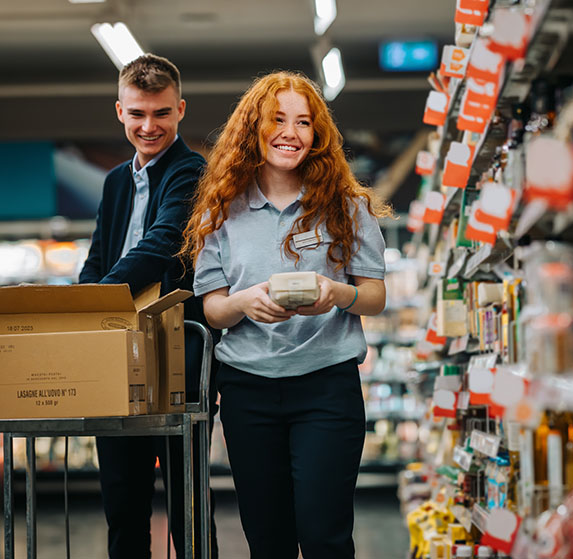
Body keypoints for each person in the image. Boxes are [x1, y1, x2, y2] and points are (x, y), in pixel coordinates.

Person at [181, 70, 391, 559]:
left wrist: (337, 294)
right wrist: (243, 303)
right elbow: (212, 310)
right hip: (247, 392)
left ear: (317, 135)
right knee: (267, 539)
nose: (290, 133)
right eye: (277, 120)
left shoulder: (346, 205)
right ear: (253, 128)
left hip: (326, 389)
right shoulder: (220, 210)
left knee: (324, 536)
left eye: (303, 122)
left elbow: (375, 297)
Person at [79, 53, 219, 559]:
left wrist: (94, 304)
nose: (149, 125)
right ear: (120, 111)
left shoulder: (191, 172)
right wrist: (86, 309)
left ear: (179, 109)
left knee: (187, 504)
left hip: (177, 355)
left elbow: (160, 245)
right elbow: (98, 257)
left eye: (161, 113)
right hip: (116, 356)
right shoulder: (116, 181)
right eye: (138, 113)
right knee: (122, 500)